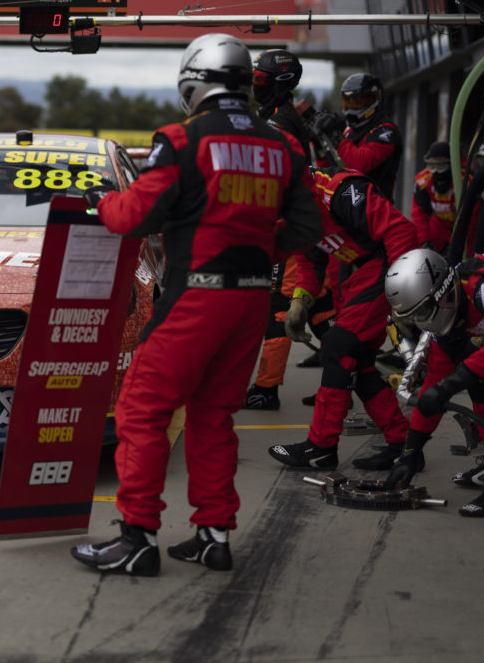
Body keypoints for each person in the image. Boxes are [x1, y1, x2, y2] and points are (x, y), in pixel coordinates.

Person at [70, 33, 322, 575]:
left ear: (193, 83)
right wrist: (255, 249)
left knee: (141, 411)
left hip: (197, 298)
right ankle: (213, 535)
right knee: (214, 417)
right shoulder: (283, 146)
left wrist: (101, 203)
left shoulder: (182, 139)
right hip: (252, 301)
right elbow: (306, 228)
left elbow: (138, 216)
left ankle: (137, 538)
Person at [268, 166, 417, 470]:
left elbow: (400, 230)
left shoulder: (339, 192)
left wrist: (402, 292)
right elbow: (310, 264)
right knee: (358, 361)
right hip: (367, 271)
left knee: (337, 346)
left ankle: (320, 448)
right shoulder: (293, 210)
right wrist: (300, 303)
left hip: (389, 265)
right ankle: (403, 445)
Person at [382, 249, 484, 516]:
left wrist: (449, 386)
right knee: (473, 367)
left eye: (424, 311)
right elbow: (433, 386)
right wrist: (410, 453)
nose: (424, 322)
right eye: (415, 317)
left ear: (442, 293)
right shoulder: (449, 307)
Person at [244, 49, 334, 409]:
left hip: (291, 226)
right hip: (302, 222)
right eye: (253, 80)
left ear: (280, 85)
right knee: (320, 307)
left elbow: (280, 178)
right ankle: (349, 377)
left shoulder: (280, 123)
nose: (255, 86)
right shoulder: (280, 116)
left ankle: (266, 390)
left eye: (260, 81)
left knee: (280, 309)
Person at [335, 73, 403, 203]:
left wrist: (336, 137)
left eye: (358, 102)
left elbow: (361, 163)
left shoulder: (386, 130)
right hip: (347, 206)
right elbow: (333, 167)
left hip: (376, 209)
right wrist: (320, 146)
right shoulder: (349, 130)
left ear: (373, 100)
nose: (352, 107)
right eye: (348, 102)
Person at [411, 140, 456, 254]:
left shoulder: (464, 179)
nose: (436, 171)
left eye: (441, 166)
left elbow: (474, 218)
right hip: (440, 226)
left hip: (463, 228)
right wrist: (425, 242)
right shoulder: (423, 181)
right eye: (432, 166)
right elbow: (418, 214)